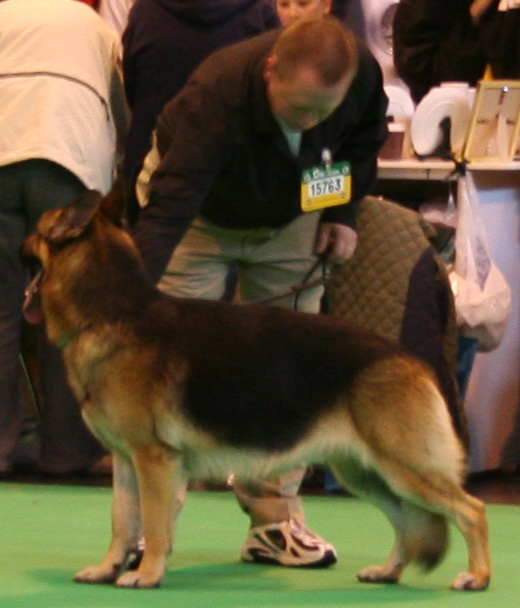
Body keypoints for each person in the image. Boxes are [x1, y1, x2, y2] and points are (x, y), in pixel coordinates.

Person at [132, 17, 388, 567]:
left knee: (292, 369)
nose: (312, 123)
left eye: (325, 113)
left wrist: (343, 214)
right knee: (161, 372)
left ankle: (274, 524)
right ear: (271, 70)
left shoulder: (361, 73)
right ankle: (142, 536)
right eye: (299, 112)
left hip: (292, 212)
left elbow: (362, 144)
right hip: (197, 215)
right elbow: (173, 201)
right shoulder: (217, 92)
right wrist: (131, 296)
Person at [0, 0, 128, 477]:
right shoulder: (94, 25)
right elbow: (122, 113)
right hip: (66, 162)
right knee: (66, 313)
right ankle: (66, 455)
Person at [122, 0, 280, 223]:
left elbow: (132, 87)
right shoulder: (260, 11)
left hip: (153, 179)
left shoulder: (145, 10)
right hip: (230, 185)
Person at [393, 0, 520, 104]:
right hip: (448, 115)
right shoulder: (423, 8)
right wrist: (473, 16)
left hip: (504, 108)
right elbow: (426, 78)